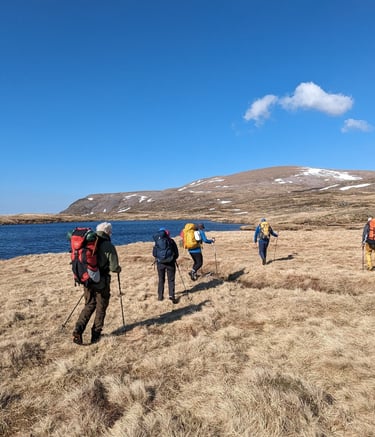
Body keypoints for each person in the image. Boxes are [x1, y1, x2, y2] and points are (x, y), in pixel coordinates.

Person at [72, 222, 121, 345]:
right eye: (111, 232)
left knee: (89, 304)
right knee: (101, 307)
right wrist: (118, 269)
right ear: (108, 232)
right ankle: (96, 335)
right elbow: (114, 267)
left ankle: (78, 329)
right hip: (101, 282)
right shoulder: (108, 245)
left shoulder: (88, 242)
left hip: (86, 279)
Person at [153, 228, 179, 303]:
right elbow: (176, 253)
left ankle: (160, 296)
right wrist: (173, 258)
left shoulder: (157, 242)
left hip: (160, 263)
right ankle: (171, 295)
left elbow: (154, 254)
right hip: (170, 263)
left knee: (161, 279)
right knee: (171, 280)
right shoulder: (171, 241)